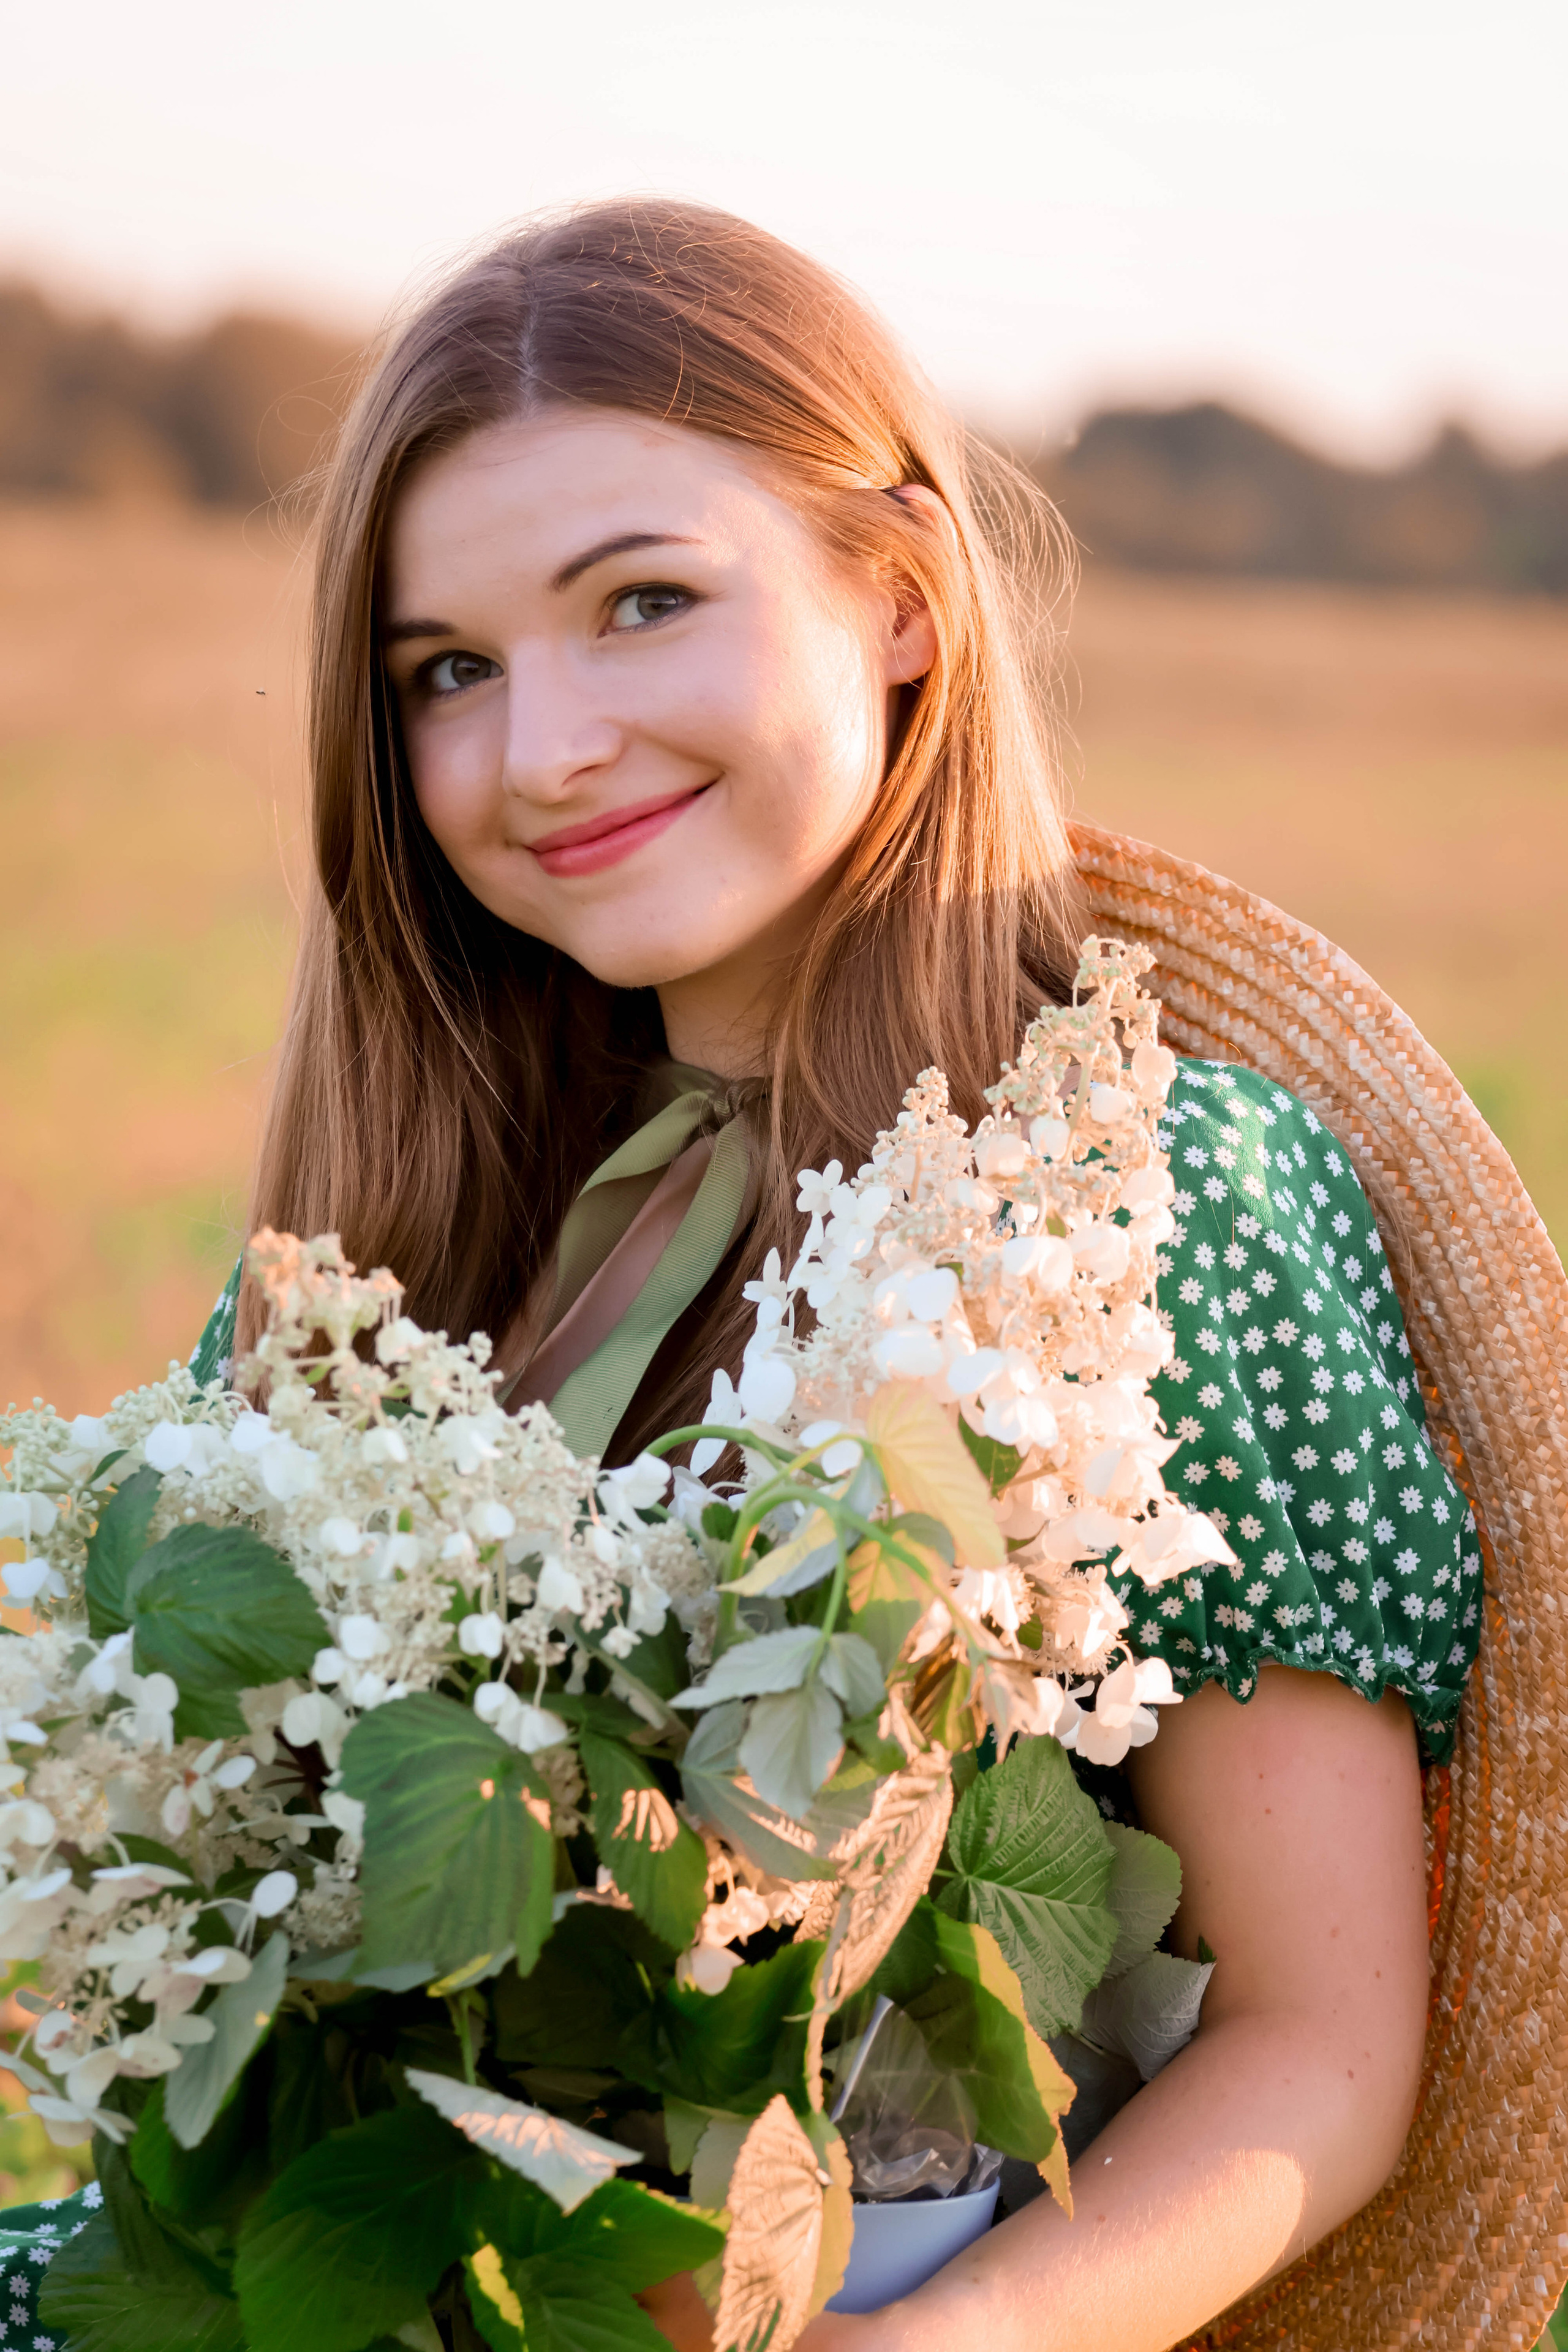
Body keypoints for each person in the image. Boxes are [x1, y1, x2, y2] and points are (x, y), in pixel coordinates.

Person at [10, 200, 1481, 2351]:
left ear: (895, 599)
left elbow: (1325, 2058)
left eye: (644, 603)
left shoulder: (1156, 1209)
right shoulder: (410, 1239)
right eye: (450, 672)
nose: (542, 753)